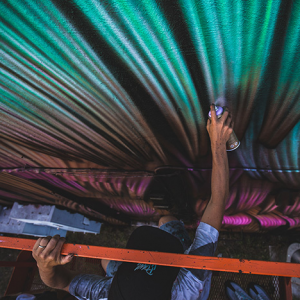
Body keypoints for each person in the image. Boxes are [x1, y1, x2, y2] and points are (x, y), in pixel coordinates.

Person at [32, 104, 233, 300]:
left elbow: (61, 282)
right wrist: (218, 143)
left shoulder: (107, 292)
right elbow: (217, 201)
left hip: (136, 278)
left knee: (106, 260)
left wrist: (44, 265)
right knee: (166, 221)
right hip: (180, 268)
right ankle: (200, 260)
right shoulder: (186, 287)